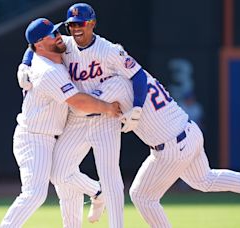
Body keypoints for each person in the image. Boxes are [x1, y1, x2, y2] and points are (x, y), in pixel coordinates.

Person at [87, 73, 240, 227]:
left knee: (141, 196)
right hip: (190, 130)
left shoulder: (115, 83)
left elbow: (82, 105)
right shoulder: (140, 74)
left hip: (171, 147)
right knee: (205, 180)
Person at [17, 3, 149, 228]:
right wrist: (24, 64)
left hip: (105, 119)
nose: (75, 29)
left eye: (80, 23)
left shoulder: (108, 49)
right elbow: (36, 44)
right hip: (76, 119)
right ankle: (96, 193)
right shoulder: (65, 44)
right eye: (71, 25)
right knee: (59, 174)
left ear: (92, 23)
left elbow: (138, 74)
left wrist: (137, 106)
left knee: (110, 177)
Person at [0, 17, 121, 228]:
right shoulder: (47, 71)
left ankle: (97, 192)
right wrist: (108, 108)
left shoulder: (54, 51)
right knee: (34, 194)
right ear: (40, 44)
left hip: (55, 133)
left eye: (57, 31)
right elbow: (78, 101)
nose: (58, 36)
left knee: (68, 189)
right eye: (52, 34)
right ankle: (97, 191)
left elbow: (30, 47)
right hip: (34, 138)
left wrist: (25, 61)